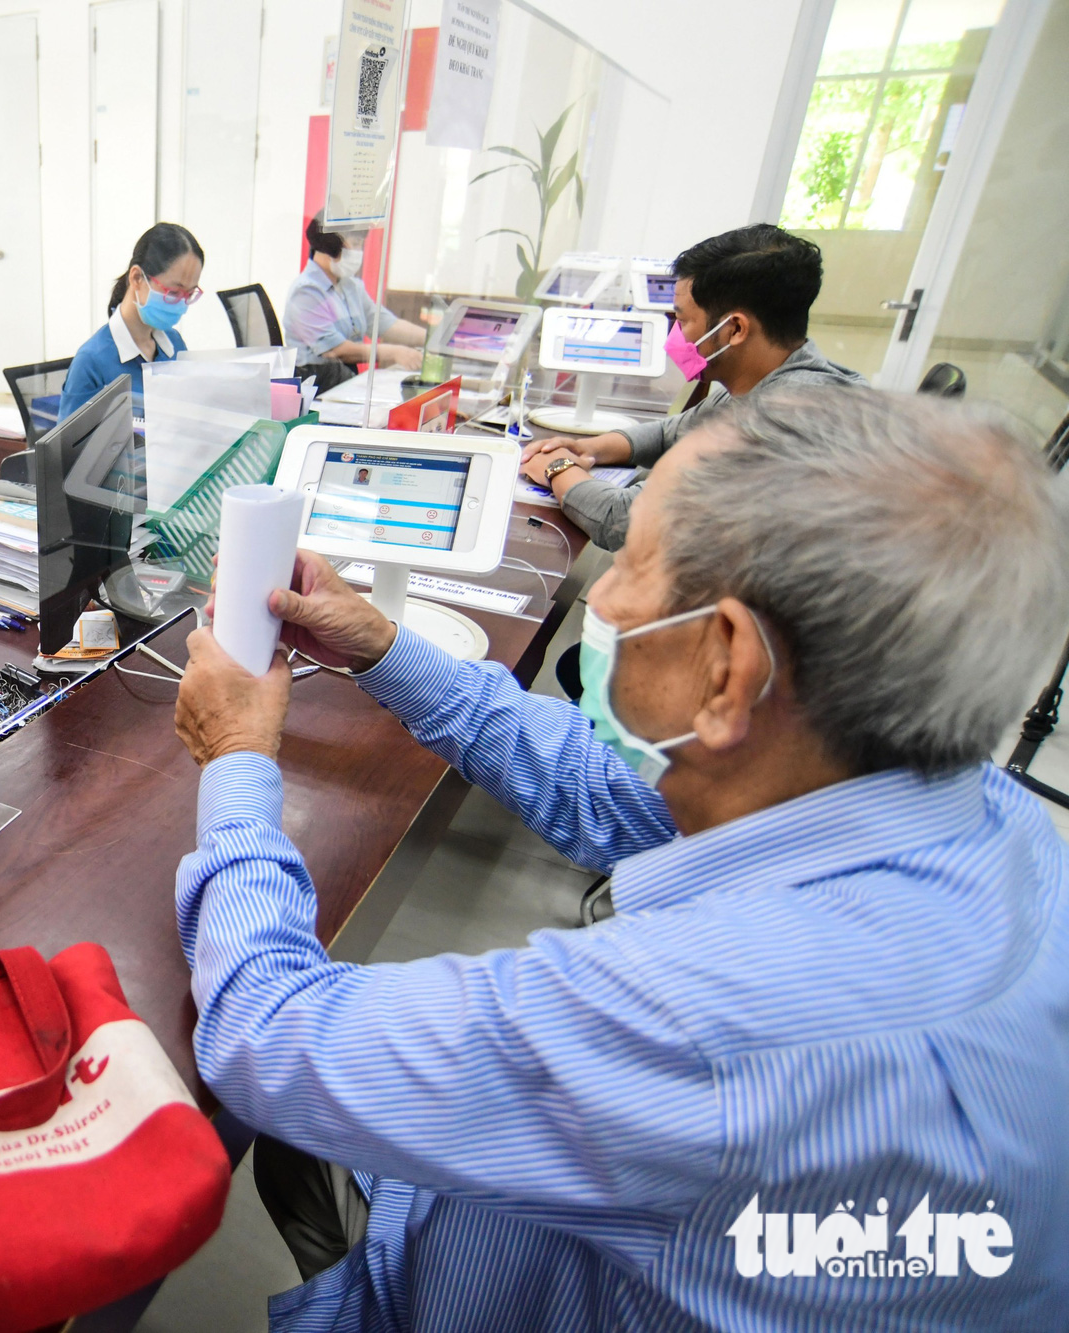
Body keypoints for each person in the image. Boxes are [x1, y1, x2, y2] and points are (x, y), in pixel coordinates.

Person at [171, 386, 1069, 1329]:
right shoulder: (976, 820)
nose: (597, 594)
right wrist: (383, 646)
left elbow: (266, 1038)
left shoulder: (708, 1019)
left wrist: (236, 761)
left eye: (633, 559)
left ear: (727, 663)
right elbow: (602, 788)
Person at [520, 224, 862, 551]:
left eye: (682, 320)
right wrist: (590, 449)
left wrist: (557, 469)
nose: (677, 335)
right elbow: (675, 431)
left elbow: (623, 521)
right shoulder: (774, 376)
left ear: (735, 330)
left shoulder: (784, 419)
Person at [57, 223, 204, 419]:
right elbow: (70, 448)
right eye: (174, 292)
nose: (182, 304)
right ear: (136, 278)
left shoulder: (175, 344)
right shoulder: (92, 362)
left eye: (190, 293)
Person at [283, 217, 426, 386]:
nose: (359, 252)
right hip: (317, 387)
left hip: (344, 381)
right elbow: (337, 350)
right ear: (331, 246)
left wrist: (432, 338)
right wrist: (395, 352)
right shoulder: (306, 292)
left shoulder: (350, 286)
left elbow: (386, 325)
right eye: (355, 244)